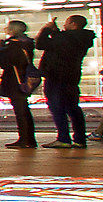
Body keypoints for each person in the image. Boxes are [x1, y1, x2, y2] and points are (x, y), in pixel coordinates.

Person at [39, 13, 93, 148]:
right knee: (73, 108)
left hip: (55, 75)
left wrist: (47, 29)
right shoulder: (82, 39)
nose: (64, 25)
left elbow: (41, 44)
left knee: (57, 107)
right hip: (72, 76)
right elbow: (62, 43)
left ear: (73, 24)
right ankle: (80, 139)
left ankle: (63, 138)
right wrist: (56, 31)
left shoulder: (65, 38)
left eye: (67, 22)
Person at [0, 21, 41, 147]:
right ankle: (28, 138)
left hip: (16, 80)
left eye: (8, 27)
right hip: (23, 78)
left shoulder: (13, 44)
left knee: (20, 110)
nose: (6, 29)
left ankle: (25, 139)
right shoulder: (27, 43)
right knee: (24, 109)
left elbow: (6, 63)